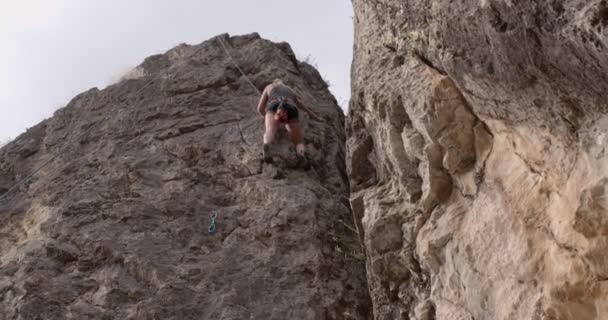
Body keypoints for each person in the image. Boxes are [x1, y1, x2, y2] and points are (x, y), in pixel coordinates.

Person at [256, 79, 321, 163]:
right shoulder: (290, 90)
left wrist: (267, 117)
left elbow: (260, 109)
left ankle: (267, 147)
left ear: (274, 82)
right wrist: (312, 115)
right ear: (282, 83)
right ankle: (301, 155)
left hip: (274, 105)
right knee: (297, 137)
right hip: (290, 107)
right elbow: (300, 104)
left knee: (270, 130)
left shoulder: (269, 87)